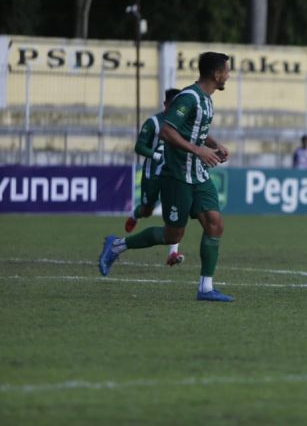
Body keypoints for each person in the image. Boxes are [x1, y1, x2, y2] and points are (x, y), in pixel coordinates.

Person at [99, 52, 234, 302]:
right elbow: (167, 131)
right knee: (174, 236)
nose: (228, 75)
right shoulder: (189, 97)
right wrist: (199, 150)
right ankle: (117, 245)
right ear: (216, 74)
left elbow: (195, 132)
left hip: (199, 175)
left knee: (215, 224)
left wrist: (216, 145)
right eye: (226, 71)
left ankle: (206, 288)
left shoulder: (207, 100)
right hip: (177, 176)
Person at [124, 88, 185, 267]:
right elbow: (139, 147)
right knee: (147, 210)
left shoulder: (183, 123)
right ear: (165, 104)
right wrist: (155, 156)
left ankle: (173, 253)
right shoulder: (153, 123)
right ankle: (135, 214)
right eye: (172, 105)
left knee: (174, 214)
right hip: (153, 175)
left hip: (173, 175)